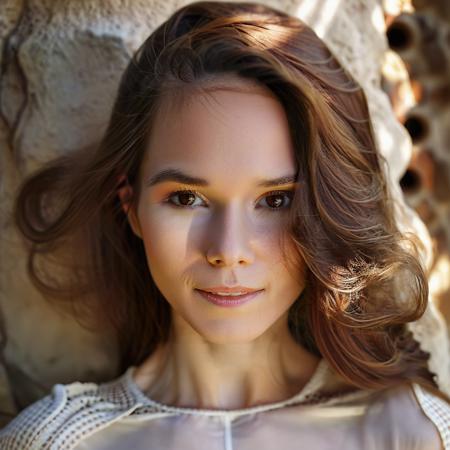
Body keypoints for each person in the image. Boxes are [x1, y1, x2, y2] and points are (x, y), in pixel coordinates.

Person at [0, 1, 449, 449]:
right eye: (186, 198)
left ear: (327, 209)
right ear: (131, 206)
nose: (228, 249)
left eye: (276, 200)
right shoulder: (56, 442)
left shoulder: (412, 432)